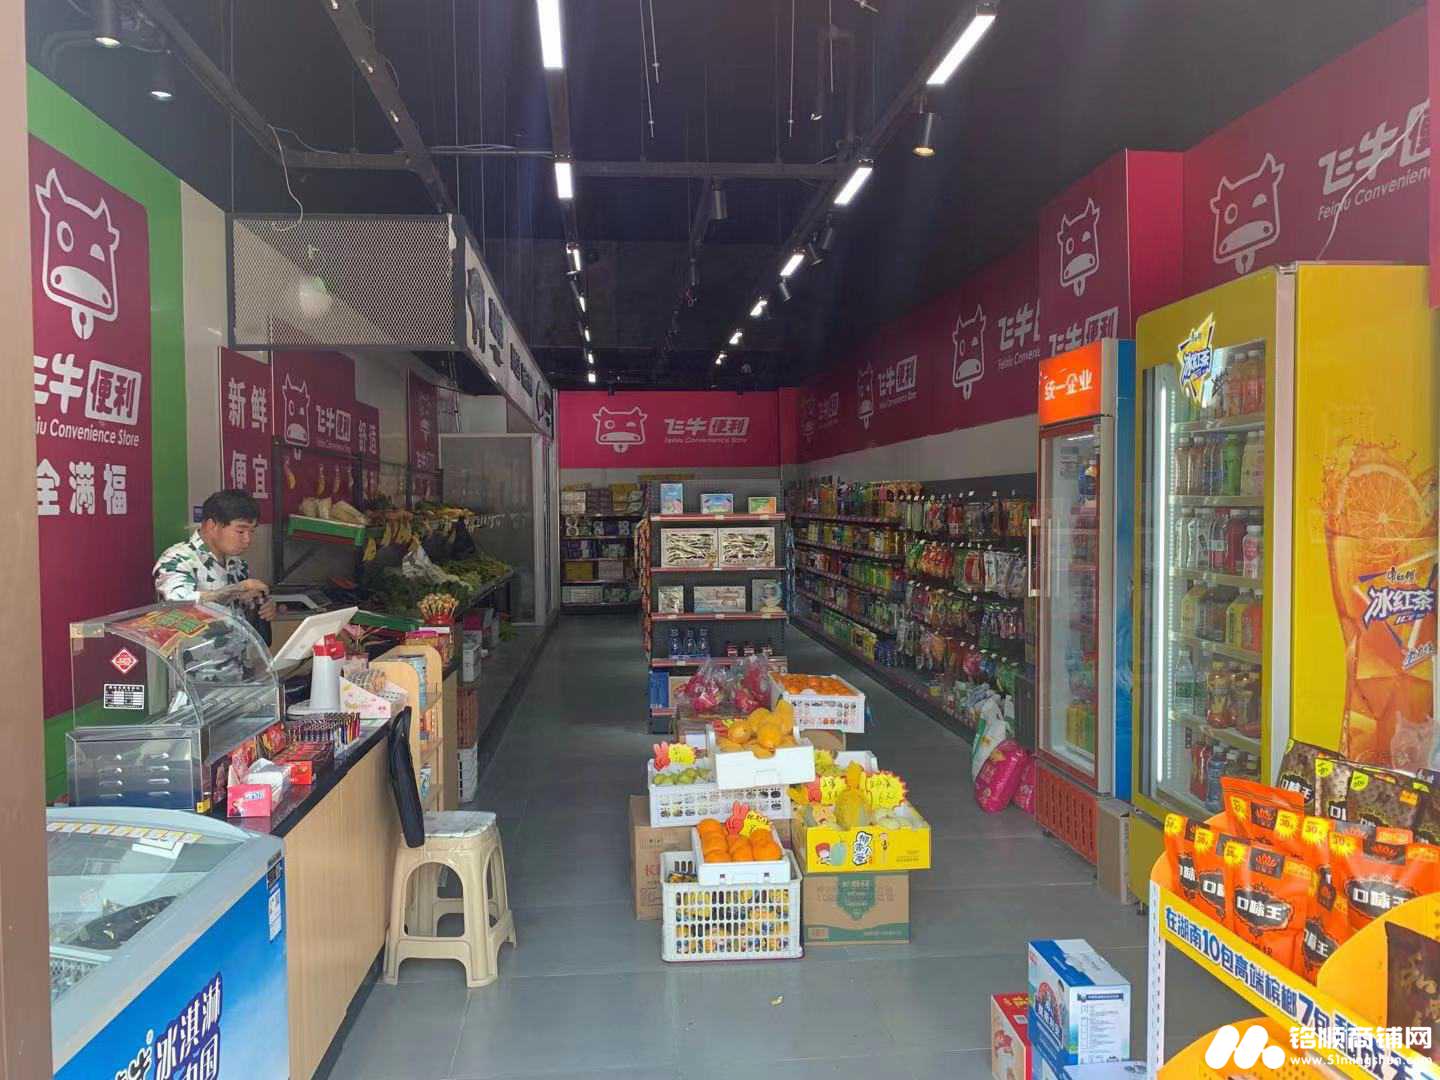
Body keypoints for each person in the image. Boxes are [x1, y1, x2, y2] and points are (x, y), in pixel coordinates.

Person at [153, 489, 277, 621]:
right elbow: (179, 604)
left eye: (251, 532)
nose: (247, 539)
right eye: (240, 531)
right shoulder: (178, 559)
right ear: (212, 526)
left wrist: (261, 605)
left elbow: (239, 613)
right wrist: (237, 589)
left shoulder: (237, 564)